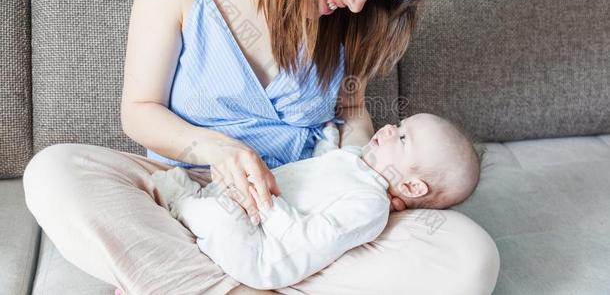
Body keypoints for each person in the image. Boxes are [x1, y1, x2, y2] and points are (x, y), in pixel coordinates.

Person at [23, 0, 500, 294]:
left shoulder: (352, 19)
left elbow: (351, 111)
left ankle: (240, 275)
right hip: (190, 192)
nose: (358, 3)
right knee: (54, 173)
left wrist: (355, 173)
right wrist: (215, 148)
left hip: (310, 207)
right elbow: (139, 112)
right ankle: (261, 279)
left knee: (468, 255)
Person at [150, 113, 483, 290]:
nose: (388, 128)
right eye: (399, 124)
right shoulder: (357, 159)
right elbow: (324, 166)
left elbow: (307, 238)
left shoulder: (372, 206)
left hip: (264, 256)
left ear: (410, 186)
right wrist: (327, 138)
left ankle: (183, 203)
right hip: (259, 214)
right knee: (222, 204)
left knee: (219, 219)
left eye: (402, 138)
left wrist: (266, 201)